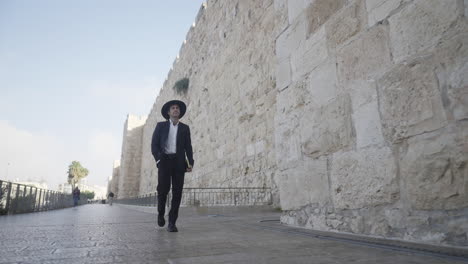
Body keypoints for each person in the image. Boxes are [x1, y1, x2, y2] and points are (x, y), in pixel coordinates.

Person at [151, 100, 194, 232]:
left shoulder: (185, 128)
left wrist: (190, 162)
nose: (175, 110)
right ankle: (160, 213)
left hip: (178, 163)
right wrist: (158, 160)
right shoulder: (160, 126)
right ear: (168, 112)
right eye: (173, 108)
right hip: (164, 161)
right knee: (163, 191)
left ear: (179, 112)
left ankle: (172, 222)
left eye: (177, 108)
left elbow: (188, 147)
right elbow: (154, 145)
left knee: (177, 193)